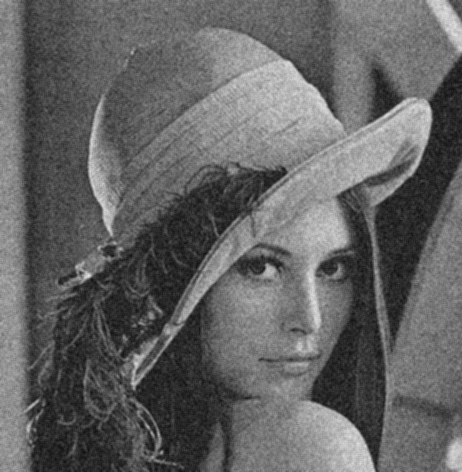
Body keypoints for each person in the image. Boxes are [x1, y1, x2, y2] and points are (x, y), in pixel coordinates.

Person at [27, 27, 432, 472]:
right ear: (174, 281)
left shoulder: (128, 444)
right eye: (261, 268)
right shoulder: (310, 447)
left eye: (333, 268)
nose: (310, 319)